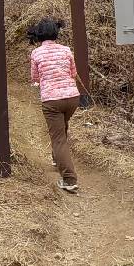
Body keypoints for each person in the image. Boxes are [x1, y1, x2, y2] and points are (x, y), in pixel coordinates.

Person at [28, 18, 80, 193]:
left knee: (58, 138)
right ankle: (57, 159)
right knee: (62, 130)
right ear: (56, 33)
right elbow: (73, 72)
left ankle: (69, 179)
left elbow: (35, 78)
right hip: (72, 97)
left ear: (39, 35)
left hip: (51, 100)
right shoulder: (66, 50)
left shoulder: (36, 53)